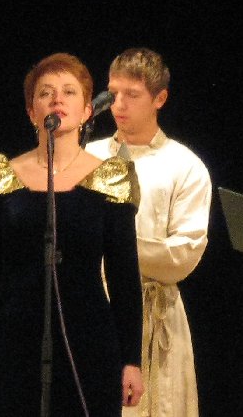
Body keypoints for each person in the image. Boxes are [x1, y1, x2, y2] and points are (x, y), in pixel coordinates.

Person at [0, 52, 144, 416]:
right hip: (11, 342)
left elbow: (124, 275)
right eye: (45, 92)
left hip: (89, 343)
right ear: (31, 111)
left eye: (69, 91)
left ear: (87, 110)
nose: (57, 99)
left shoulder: (111, 177)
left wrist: (131, 360)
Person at [85, 48, 212, 417]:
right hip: (92, 306)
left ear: (160, 98)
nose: (119, 104)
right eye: (113, 93)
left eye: (132, 94)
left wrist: (113, 248)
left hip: (154, 310)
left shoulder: (183, 165)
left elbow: (183, 255)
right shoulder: (87, 156)